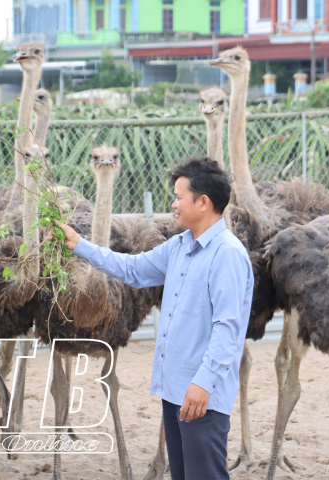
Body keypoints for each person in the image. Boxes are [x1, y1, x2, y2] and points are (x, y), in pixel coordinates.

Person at [56, 156, 253, 480]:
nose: (173, 204)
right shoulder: (179, 246)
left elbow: (227, 329)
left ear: (203, 202)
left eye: (178, 197)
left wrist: (203, 383)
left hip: (201, 395)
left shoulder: (227, 254)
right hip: (176, 391)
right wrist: (80, 245)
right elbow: (132, 270)